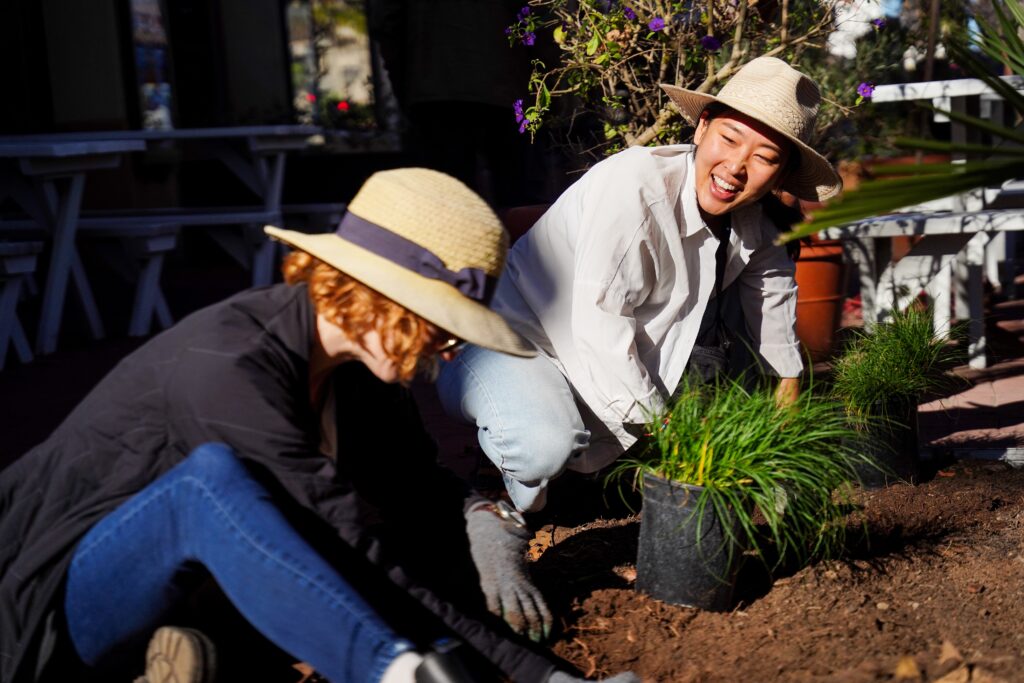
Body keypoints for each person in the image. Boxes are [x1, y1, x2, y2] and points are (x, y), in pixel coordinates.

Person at [0, 168, 639, 683]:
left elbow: (416, 514)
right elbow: (360, 554)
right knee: (214, 483)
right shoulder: (229, 368)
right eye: (441, 320)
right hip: (52, 615)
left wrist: (538, 664)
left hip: (196, 594)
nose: (450, 348)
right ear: (375, 293)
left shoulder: (356, 370)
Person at [437, 56, 844, 513]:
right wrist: (676, 441)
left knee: (718, 368)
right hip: (513, 340)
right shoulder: (635, 189)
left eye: (765, 158)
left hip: (595, 355)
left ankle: (582, 461)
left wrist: (785, 428)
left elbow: (774, 310)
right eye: (729, 139)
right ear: (702, 127)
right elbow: (600, 325)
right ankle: (498, 479)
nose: (737, 166)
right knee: (543, 446)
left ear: (782, 175)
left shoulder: (754, 220)